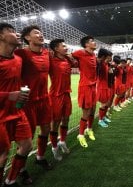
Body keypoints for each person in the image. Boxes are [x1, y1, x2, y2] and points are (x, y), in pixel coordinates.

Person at [16, 25, 53, 172]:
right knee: (27, 138)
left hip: (44, 99)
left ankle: (40, 157)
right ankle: (21, 170)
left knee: (46, 129)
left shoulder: (46, 53)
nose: (41, 35)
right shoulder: (21, 53)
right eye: (36, 33)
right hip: (27, 102)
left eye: (41, 32)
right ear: (27, 37)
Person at [0, 23, 32, 187]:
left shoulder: (18, 59)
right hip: (0, 116)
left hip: (17, 112)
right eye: (11, 31)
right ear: (1, 36)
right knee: (3, 155)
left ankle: (10, 180)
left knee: (26, 145)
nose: (16, 33)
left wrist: (20, 95)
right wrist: (9, 96)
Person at [48, 39, 78, 160]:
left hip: (66, 94)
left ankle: (63, 142)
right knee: (55, 122)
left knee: (66, 119)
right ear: (56, 49)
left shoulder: (67, 60)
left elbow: (76, 64)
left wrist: (70, 57)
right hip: (56, 95)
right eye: (63, 46)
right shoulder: (50, 60)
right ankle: (54, 147)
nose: (66, 48)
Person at [72, 36, 97, 148]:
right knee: (86, 113)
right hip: (85, 86)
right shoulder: (80, 53)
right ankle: (80, 135)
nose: (94, 42)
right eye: (92, 41)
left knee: (93, 109)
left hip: (93, 86)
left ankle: (89, 129)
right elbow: (69, 56)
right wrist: (74, 63)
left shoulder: (93, 54)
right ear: (86, 44)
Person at [96, 48, 113, 128]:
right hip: (101, 87)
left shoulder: (106, 65)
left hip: (106, 86)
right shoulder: (102, 64)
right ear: (107, 57)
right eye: (110, 57)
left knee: (106, 103)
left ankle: (103, 117)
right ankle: (100, 120)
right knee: (103, 104)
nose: (111, 58)